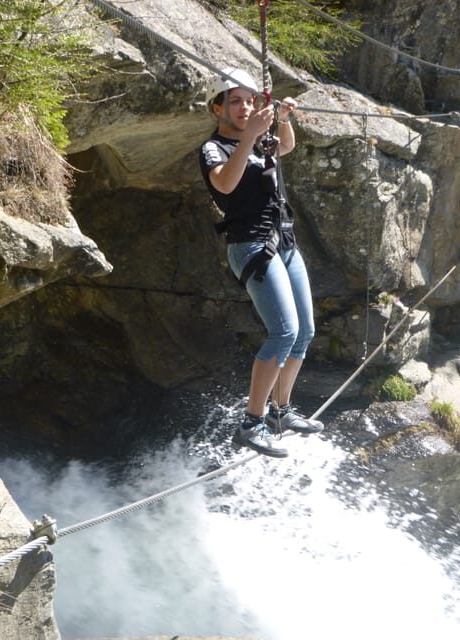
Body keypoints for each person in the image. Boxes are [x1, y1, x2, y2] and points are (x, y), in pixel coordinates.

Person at [198, 68, 323, 458]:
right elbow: (225, 184)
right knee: (283, 331)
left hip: (283, 241)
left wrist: (282, 120)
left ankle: (281, 411)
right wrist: (250, 136)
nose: (245, 107)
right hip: (251, 245)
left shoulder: (260, 142)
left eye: (249, 101)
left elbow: (285, 147)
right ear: (217, 108)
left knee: (304, 332)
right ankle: (251, 423)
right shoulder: (213, 148)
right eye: (235, 101)